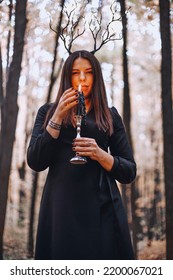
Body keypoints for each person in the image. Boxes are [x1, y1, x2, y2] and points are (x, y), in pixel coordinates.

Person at [27, 50, 136, 260]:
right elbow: (35, 161)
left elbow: (129, 171)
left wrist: (100, 154)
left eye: (89, 72)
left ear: (97, 76)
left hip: (102, 208)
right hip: (60, 208)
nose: (83, 78)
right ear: (68, 77)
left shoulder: (110, 115)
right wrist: (57, 116)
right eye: (76, 73)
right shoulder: (47, 112)